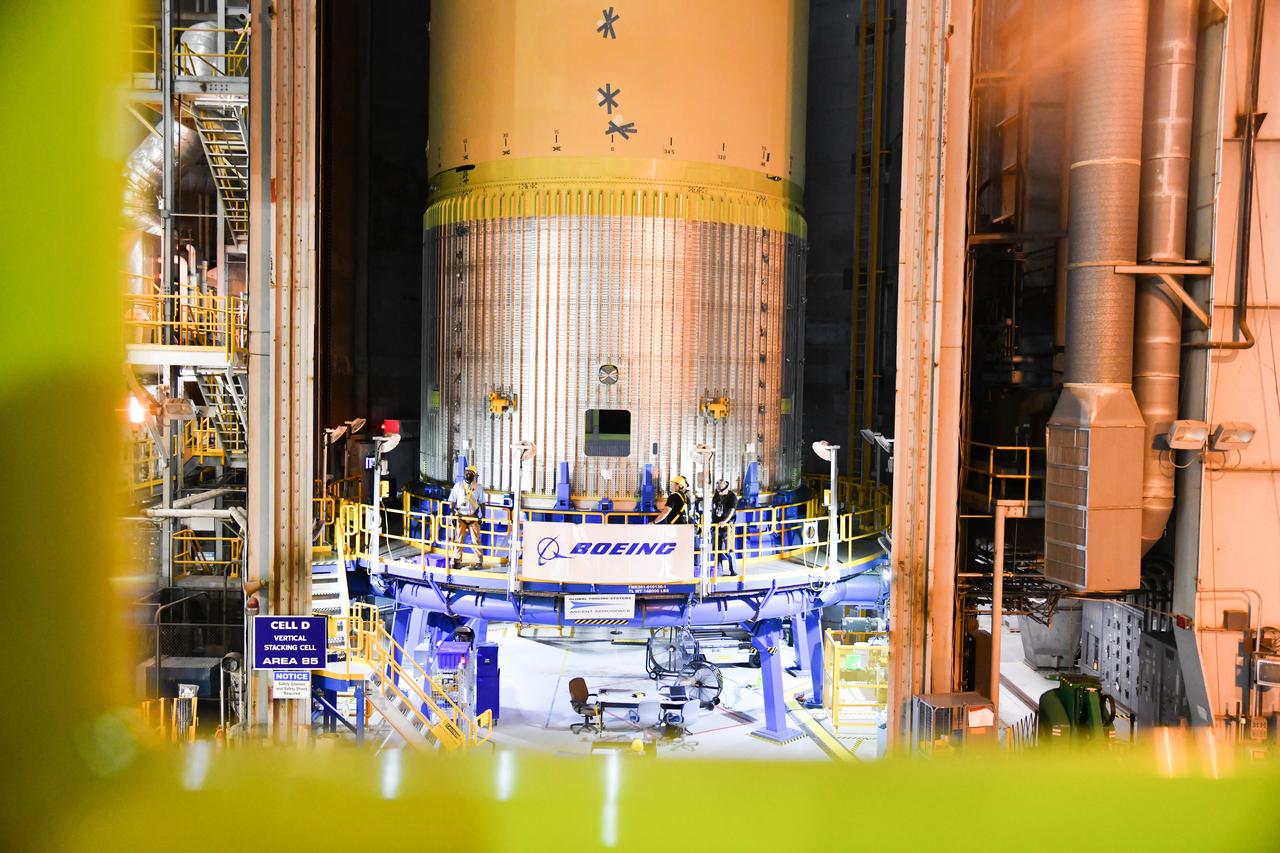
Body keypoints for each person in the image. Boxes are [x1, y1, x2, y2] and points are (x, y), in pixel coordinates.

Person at [448, 465, 485, 568]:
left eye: (470, 473)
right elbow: (452, 501)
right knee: (459, 539)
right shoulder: (458, 486)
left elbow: (482, 503)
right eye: (467, 472)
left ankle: (479, 562)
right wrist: (452, 517)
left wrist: (483, 517)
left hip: (473, 517)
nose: (468, 474)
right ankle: (457, 561)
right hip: (460, 517)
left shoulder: (478, 487)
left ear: (474, 475)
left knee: (476, 540)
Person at [711, 479, 739, 576]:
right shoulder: (716, 496)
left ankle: (733, 570)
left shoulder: (732, 497)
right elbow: (714, 510)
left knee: (729, 549)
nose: (720, 493)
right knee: (716, 550)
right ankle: (718, 570)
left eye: (722, 491)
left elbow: (731, 511)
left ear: (727, 489)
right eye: (719, 491)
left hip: (727, 527)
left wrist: (725, 521)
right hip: (716, 526)